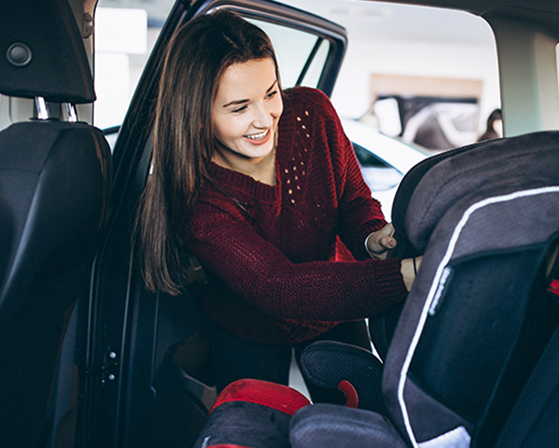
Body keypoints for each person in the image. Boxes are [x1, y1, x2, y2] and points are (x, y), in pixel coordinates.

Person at [135, 11, 421, 402]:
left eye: (270, 93)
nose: (263, 119)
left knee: (355, 422)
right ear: (198, 116)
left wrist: (372, 238)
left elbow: (353, 199)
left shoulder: (312, 113)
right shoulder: (195, 196)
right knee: (251, 426)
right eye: (239, 108)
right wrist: (407, 275)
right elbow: (279, 287)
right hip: (246, 326)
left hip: (340, 302)